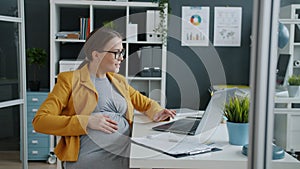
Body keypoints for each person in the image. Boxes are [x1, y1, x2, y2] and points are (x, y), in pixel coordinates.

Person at [32, 28, 176, 169]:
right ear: (96, 55)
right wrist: (87, 121)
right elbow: (40, 121)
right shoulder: (69, 81)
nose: (122, 57)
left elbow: (146, 104)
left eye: (122, 52)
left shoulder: (118, 81)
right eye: (116, 53)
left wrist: (157, 112)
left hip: (125, 152)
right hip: (93, 158)